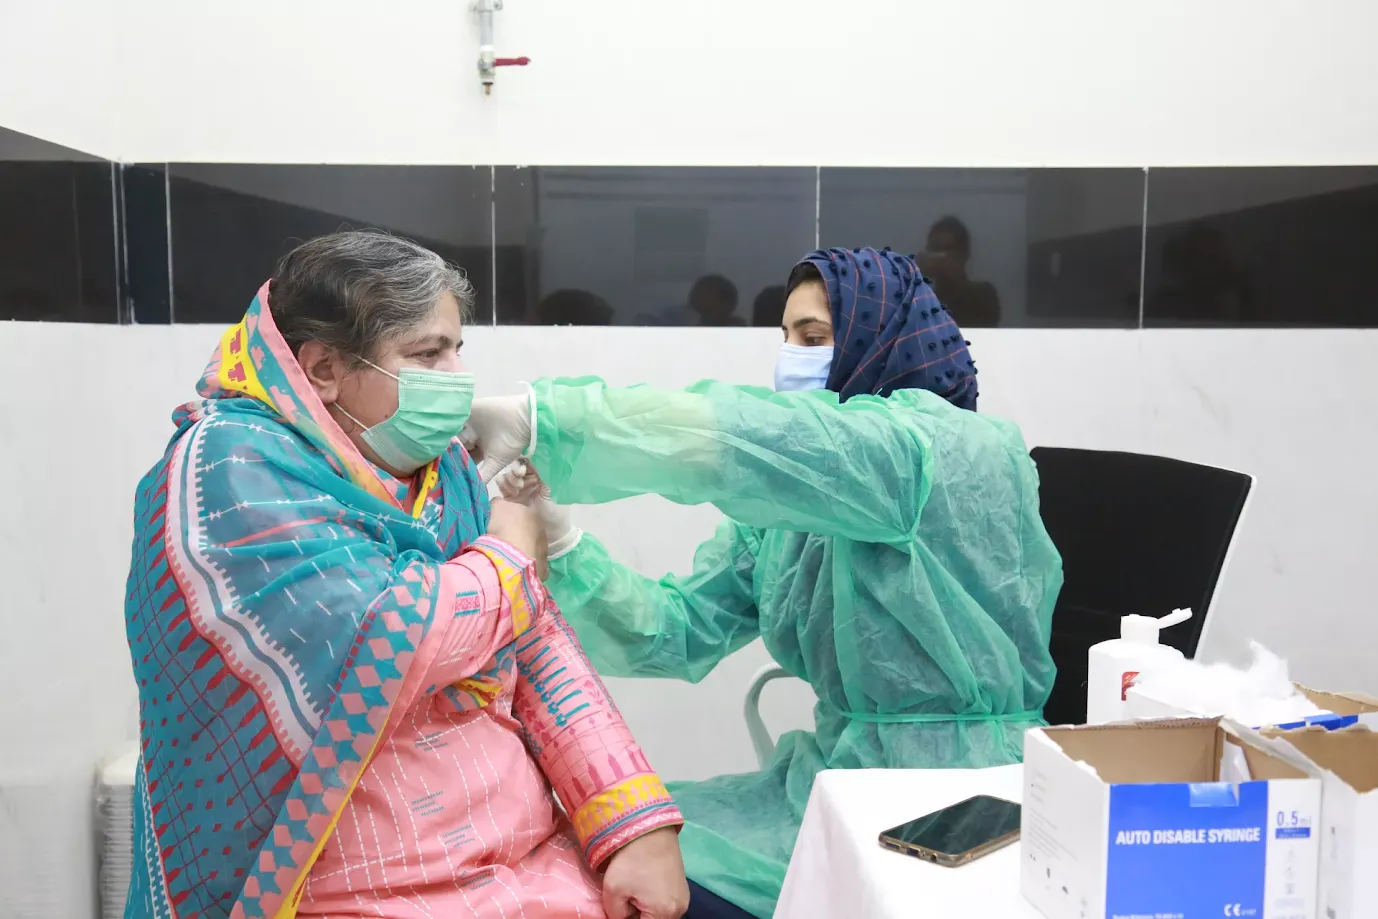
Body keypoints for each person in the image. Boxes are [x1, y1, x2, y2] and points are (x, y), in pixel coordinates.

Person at [462, 246, 1064, 918]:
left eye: (813, 337)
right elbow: (676, 632)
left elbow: (746, 440)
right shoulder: (792, 516)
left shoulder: (938, 453)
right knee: (604, 843)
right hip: (832, 778)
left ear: (881, 337)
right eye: (785, 337)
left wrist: (548, 421)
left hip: (965, 794)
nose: (790, 359)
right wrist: (565, 545)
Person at [122, 230, 690, 919]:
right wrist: (510, 555)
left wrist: (632, 822)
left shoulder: (442, 469)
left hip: (520, 866)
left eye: (457, 349)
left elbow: (539, 646)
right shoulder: (226, 467)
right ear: (324, 368)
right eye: (427, 354)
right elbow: (389, 634)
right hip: (343, 887)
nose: (456, 377)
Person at [920, 215, 1002, 327]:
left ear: (964, 253)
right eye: (935, 249)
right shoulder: (922, 298)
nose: (941, 256)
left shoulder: (984, 294)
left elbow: (981, 326)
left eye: (948, 249)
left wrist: (954, 275)